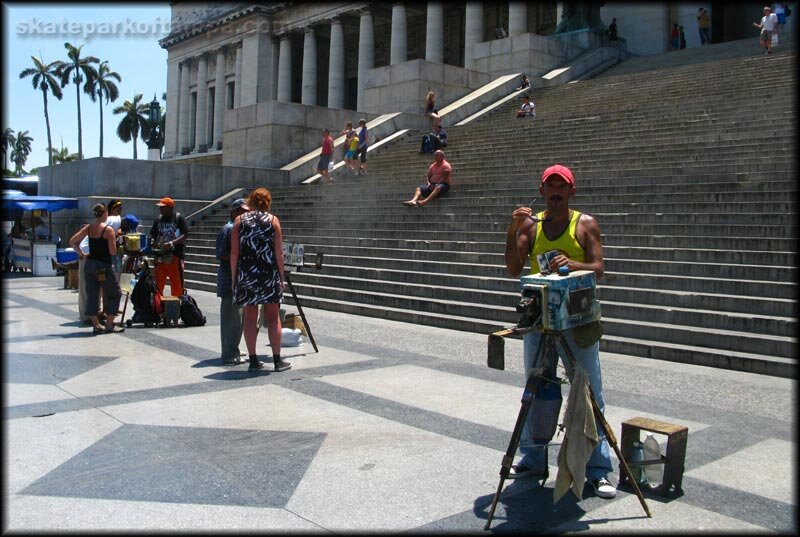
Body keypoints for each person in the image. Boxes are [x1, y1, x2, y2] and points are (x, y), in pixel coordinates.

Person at [503, 164, 615, 499]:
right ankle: (534, 457)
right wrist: (511, 230)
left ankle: (597, 469)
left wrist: (573, 263)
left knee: (590, 391)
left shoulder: (585, 224)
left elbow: (599, 268)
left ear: (571, 192)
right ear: (541, 192)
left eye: (560, 188)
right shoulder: (530, 224)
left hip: (578, 320)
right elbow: (513, 268)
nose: (554, 193)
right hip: (541, 319)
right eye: (549, 188)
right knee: (536, 389)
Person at [230, 188, 291, 372]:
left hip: (247, 273)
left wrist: (234, 278)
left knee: (250, 317)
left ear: (250, 202)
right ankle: (277, 360)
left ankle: (254, 360)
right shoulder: (273, 221)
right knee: (273, 318)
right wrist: (281, 276)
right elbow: (278, 253)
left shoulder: (239, 221)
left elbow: (234, 253)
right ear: (268, 202)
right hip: (268, 273)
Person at [68, 203, 125, 334]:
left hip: (90, 264)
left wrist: (81, 254)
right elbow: (112, 252)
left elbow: (72, 241)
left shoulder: (89, 228)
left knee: (92, 294)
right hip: (103, 266)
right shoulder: (108, 230)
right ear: (105, 214)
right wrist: (116, 242)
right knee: (115, 293)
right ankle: (110, 324)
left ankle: (96, 324)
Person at [216, 198, 250, 366]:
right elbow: (222, 254)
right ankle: (229, 353)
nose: (245, 215)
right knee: (231, 318)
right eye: (242, 212)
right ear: (234, 211)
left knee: (237, 319)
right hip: (229, 279)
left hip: (238, 280)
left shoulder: (237, 229)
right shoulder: (228, 229)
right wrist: (240, 257)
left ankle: (233, 347)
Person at [149, 196, 189, 297]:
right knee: (157, 286)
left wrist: (172, 243)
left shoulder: (178, 218)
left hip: (175, 256)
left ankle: (176, 308)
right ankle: (158, 308)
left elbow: (185, 234)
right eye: (160, 207)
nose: (160, 209)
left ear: (170, 207)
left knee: (177, 287)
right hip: (160, 257)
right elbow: (152, 234)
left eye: (163, 207)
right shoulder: (158, 219)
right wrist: (154, 242)